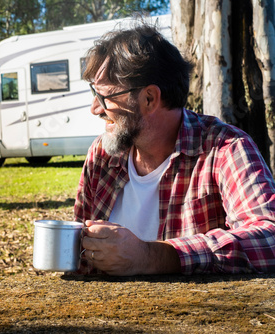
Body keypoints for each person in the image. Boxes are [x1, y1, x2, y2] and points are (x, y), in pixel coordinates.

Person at [74, 22, 275, 276]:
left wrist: (153, 256)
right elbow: (80, 256)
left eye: (104, 97)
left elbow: (269, 238)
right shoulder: (101, 155)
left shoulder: (224, 148)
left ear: (149, 99)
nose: (95, 108)